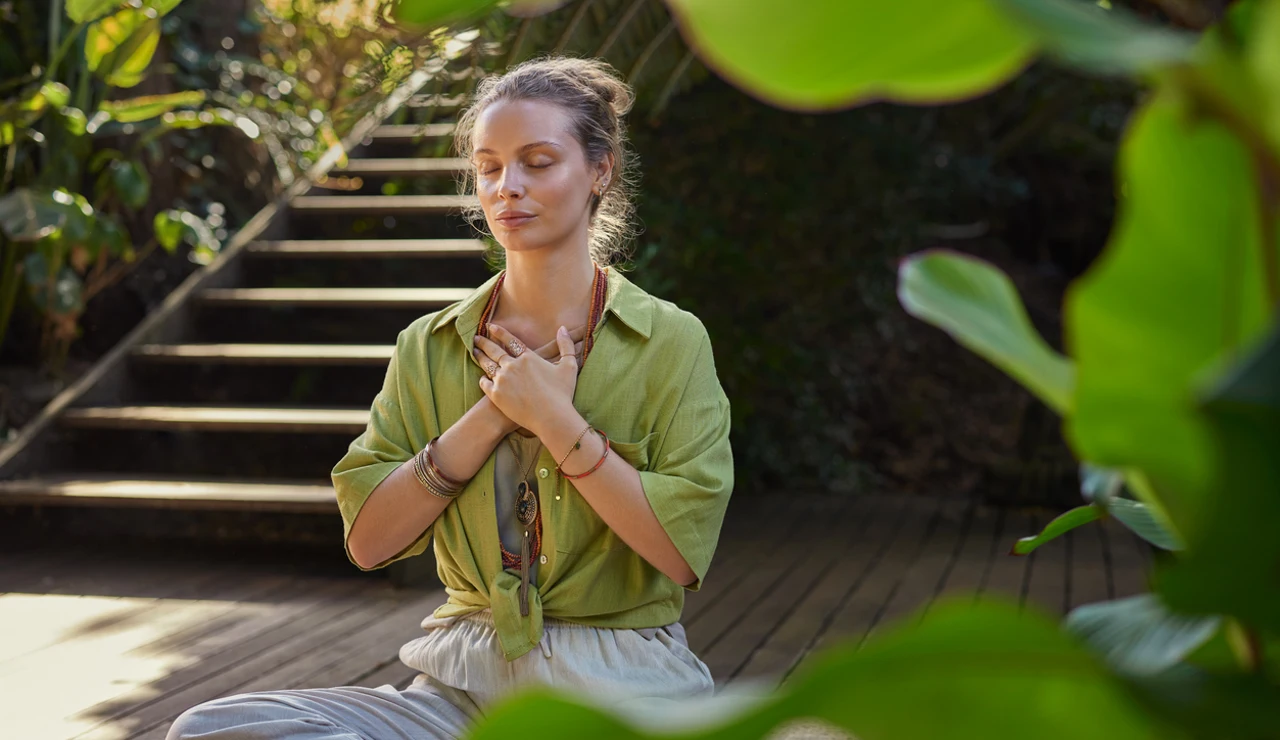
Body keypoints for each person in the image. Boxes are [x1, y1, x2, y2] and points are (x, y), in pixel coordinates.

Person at [165, 53, 734, 739]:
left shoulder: (669, 340)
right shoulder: (428, 346)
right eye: (489, 166)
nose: (507, 187)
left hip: (622, 688)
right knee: (213, 727)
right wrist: (496, 410)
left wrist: (555, 419)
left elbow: (678, 552)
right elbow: (370, 542)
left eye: (538, 162)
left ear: (600, 170)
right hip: (460, 689)